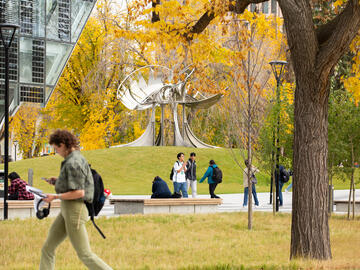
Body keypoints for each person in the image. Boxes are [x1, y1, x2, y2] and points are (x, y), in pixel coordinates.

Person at [39, 129, 112, 270]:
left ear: (62, 145)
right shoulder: (75, 159)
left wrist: (55, 196)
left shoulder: (73, 162)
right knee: (47, 248)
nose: (56, 152)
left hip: (75, 211)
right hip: (67, 210)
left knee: (85, 254)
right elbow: (76, 183)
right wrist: (58, 181)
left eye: (56, 149)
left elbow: (79, 192)